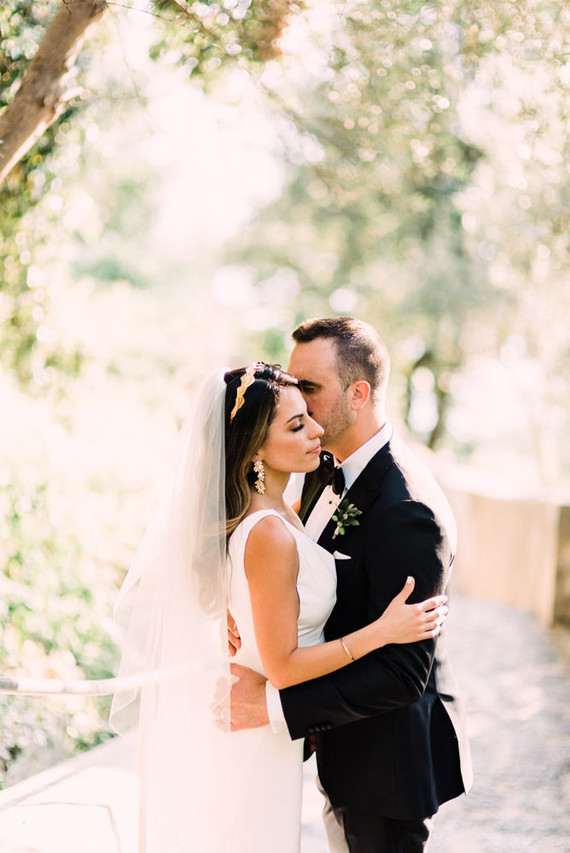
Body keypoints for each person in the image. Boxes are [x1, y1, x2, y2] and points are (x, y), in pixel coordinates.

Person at [111, 362, 448, 853]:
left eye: (308, 415)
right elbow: (284, 667)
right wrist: (381, 631)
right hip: (252, 738)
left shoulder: (280, 508)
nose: (316, 430)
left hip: (271, 734)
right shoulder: (267, 530)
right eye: (296, 425)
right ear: (253, 451)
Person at [228, 318, 473, 853]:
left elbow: (404, 673)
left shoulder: (408, 509)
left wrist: (274, 707)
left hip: (385, 770)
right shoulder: (316, 466)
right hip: (338, 749)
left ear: (358, 393)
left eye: (309, 388)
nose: (293, 399)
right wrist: (245, 615)